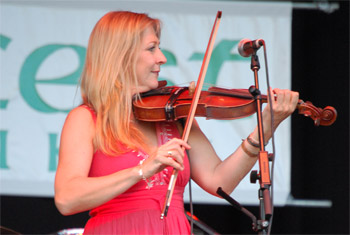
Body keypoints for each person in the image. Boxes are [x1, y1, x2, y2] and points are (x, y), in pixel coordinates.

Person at [54, 11, 299, 234]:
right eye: (151, 48)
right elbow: (67, 199)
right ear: (120, 55)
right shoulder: (86, 119)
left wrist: (266, 127)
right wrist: (142, 170)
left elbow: (220, 181)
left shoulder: (174, 116)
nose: (161, 58)